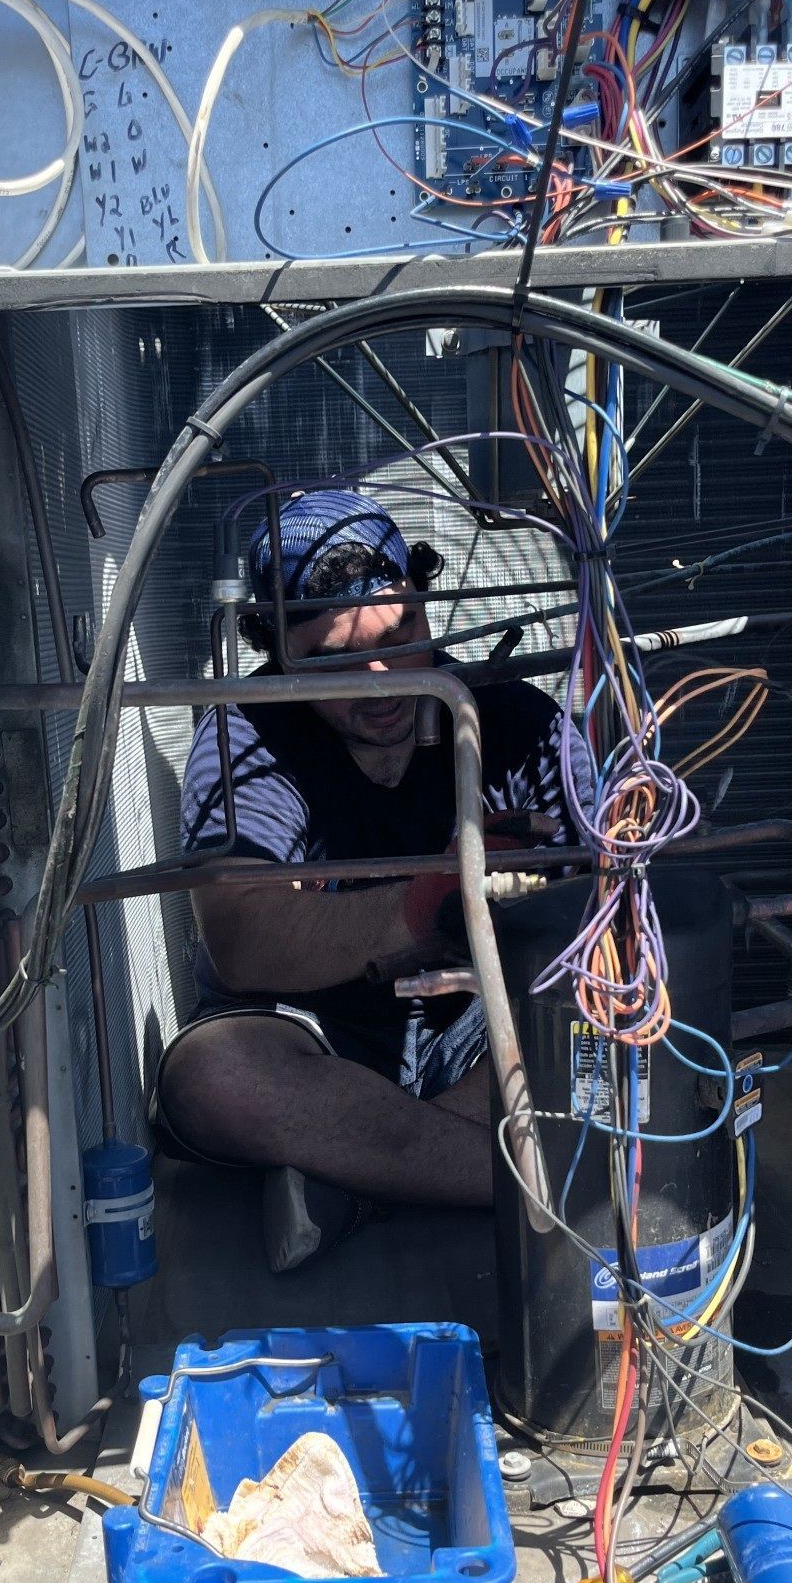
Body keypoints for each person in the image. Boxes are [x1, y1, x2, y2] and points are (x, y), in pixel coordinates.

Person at [152, 489, 593, 1271]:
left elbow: (606, 914)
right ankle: (527, 1177)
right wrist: (434, 897)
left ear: (426, 602)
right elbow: (243, 948)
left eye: (402, 635)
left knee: (596, 1037)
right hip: (316, 1034)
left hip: (480, 1035)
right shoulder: (247, 735)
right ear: (279, 656)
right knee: (208, 1077)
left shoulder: (519, 719)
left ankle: (361, 1181)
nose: (382, 681)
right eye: (333, 660)